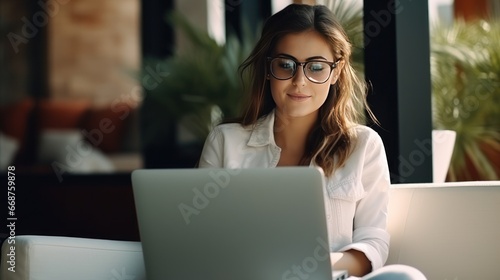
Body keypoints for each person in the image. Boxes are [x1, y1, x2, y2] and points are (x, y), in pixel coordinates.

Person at [198, 4, 426, 279]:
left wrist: (304, 269)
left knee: (404, 277)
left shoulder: (363, 145)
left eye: (316, 67)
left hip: (329, 277)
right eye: (286, 65)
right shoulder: (225, 141)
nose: (299, 81)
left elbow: (372, 243)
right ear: (268, 68)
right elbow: (203, 237)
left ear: (336, 71)